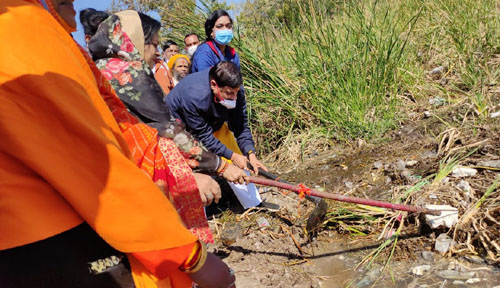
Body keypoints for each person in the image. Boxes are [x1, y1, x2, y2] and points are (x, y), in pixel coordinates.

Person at [0, 1, 236, 288]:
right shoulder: (24, 34)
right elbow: (97, 163)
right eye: (152, 45)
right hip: (58, 238)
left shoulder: (43, 35)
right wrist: (190, 256)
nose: (155, 52)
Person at [167, 61, 268, 209]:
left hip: (213, 123)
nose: (234, 97)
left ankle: (253, 203)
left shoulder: (235, 90)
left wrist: (250, 153)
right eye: (229, 93)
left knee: (238, 159)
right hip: (181, 130)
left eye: (236, 92)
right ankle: (201, 210)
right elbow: (203, 136)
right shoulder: (194, 95)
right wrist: (231, 156)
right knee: (195, 164)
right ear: (214, 85)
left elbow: (240, 125)